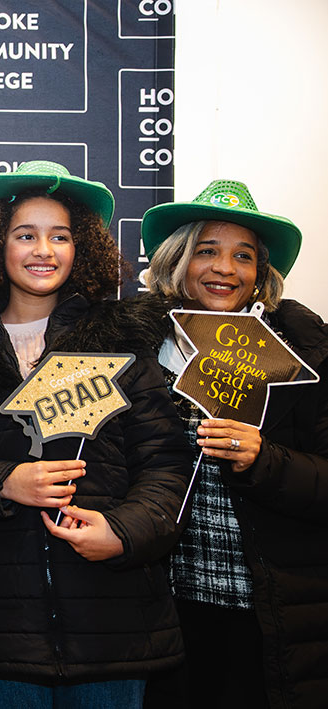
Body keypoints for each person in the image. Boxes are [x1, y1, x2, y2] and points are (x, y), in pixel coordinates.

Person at [0, 161, 192, 708]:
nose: (44, 250)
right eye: (25, 235)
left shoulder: (119, 338)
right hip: (2, 626)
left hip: (115, 618)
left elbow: (167, 464)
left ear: (82, 248)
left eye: (61, 236)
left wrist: (123, 531)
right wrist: (3, 482)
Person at [138, 180, 328, 709]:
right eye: (207, 251)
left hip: (266, 609)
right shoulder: (137, 346)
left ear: (260, 274)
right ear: (178, 260)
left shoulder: (306, 355)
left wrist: (265, 461)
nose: (225, 268)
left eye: (243, 256)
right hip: (161, 605)